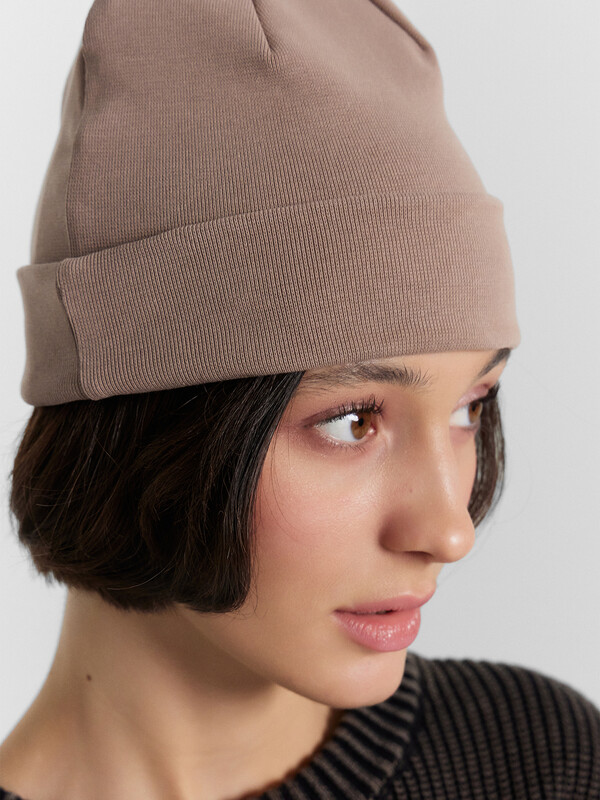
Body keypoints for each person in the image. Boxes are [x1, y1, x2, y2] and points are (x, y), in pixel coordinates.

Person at [0, 1, 598, 799]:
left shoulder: (540, 761)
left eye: (470, 407)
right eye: (354, 421)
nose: (450, 531)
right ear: (141, 424)